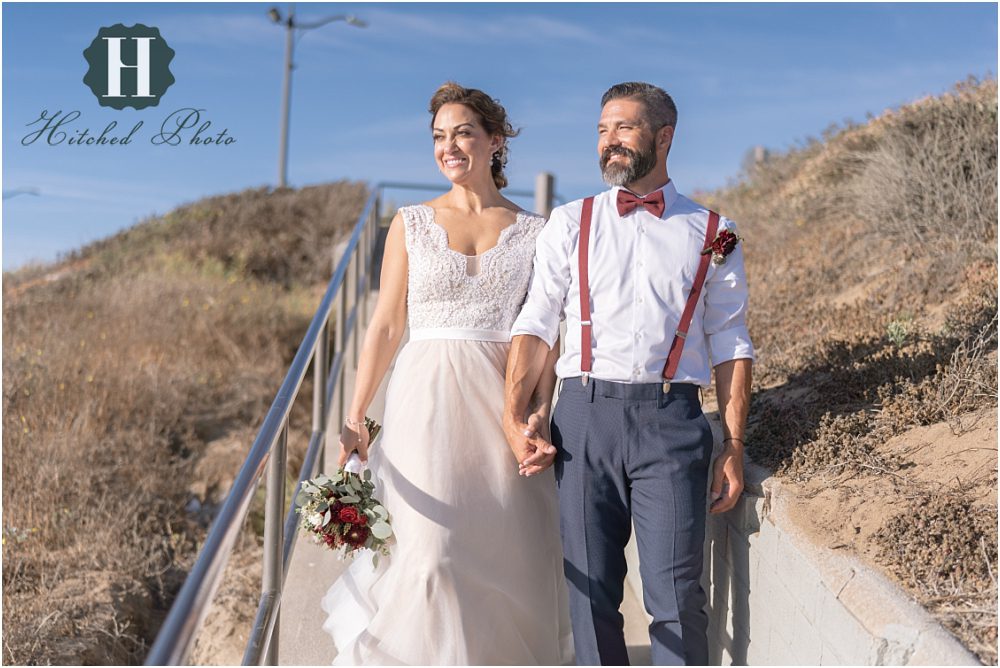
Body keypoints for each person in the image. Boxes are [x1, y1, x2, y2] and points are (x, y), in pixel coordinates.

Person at [320, 82, 573, 665]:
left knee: (500, 557)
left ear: (495, 141)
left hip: (499, 405)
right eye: (438, 136)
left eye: (462, 132)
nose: (448, 146)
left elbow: (545, 337)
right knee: (429, 555)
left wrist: (535, 412)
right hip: (425, 401)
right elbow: (385, 325)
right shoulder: (410, 223)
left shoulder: (538, 231)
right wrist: (357, 417)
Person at [504, 81, 755, 666]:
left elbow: (731, 340)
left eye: (625, 128)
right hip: (582, 420)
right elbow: (538, 322)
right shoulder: (569, 222)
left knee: (675, 597)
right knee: (589, 594)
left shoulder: (714, 230)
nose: (609, 141)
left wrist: (735, 444)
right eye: (601, 129)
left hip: (672, 422)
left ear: (664, 137)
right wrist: (516, 415)